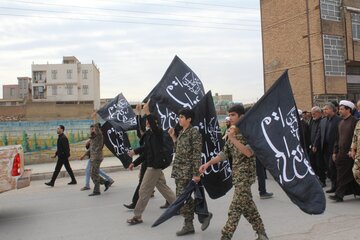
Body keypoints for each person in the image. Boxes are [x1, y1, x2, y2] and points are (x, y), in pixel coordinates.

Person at [199, 104, 268, 240]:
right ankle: (262, 234)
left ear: (241, 116)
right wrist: (208, 163)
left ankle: (225, 236)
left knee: (235, 209)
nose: (230, 118)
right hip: (237, 175)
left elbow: (249, 152)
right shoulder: (232, 132)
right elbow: (224, 154)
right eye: (229, 115)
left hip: (245, 176)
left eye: (233, 115)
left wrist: (233, 139)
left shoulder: (249, 132)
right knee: (248, 207)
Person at [126, 101, 176, 225]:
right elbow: (145, 150)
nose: (146, 123)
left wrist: (147, 111)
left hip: (154, 166)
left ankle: (137, 216)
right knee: (164, 188)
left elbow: (153, 127)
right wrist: (135, 160)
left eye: (148, 121)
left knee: (143, 191)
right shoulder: (149, 134)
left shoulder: (158, 133)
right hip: (153, 164)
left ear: (155, 123)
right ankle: (180, 206)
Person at [168, 108, 213, 236]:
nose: (179, 119)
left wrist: (196, 174)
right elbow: (178, 149)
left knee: (182, 199)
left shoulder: (194, 133)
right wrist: (173, 137)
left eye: (182, 117)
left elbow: (196, 155)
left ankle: (190, 224)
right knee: (183, 199)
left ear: (189, 119)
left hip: (187, 172)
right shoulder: (182, 132)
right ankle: (201, 215)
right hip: (179, 171)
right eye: (179, 117)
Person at [330, 100, 360, 202]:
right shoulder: (341, 123)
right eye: (340, 109)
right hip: (340, 154)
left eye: (342, 109)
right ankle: (356, 191)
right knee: (347, 175)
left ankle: (339, 195)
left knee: (344, 175)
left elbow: (356, 138)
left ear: (348, 110)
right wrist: (334, 152)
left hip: (350, 154)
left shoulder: (355, 121)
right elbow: (337, 139)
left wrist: (353, 150)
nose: (339, 111)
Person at [80, 112, 110, 196]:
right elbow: (91, 149)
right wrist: (84, 155)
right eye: (91, 129)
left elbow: (96, 127)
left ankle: (97, 190)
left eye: (93, 129)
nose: (92, 130)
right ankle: (106, 182)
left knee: (93, 173)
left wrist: (94, 118)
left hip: (97, 157)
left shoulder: (99, 135)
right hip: (93, 157)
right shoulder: (93, 138)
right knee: (93, 173)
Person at [314, 103, 342, 193]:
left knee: (334, 168)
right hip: (325, 149)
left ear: (332, 110)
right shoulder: (323, 121)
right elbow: (319, 134)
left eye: (326, 109)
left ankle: (338, 187)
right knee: (329, 169)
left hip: (335, 149)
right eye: (324, 109)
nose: (324, 111)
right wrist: (315, 144)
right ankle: (334, 186)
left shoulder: (339, 120)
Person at [309, 106, 326, 187]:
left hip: (319, 147)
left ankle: (323, 180)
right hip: (312, 146)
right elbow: (310, 132)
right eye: (312, 114)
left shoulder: (322, 121)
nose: (313, 115)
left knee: (320, 164)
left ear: (319, 113)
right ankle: (317, 179)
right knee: (312, 163)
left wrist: (315, 145)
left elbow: (319, 134)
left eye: (314, 113)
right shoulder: (312, 121)